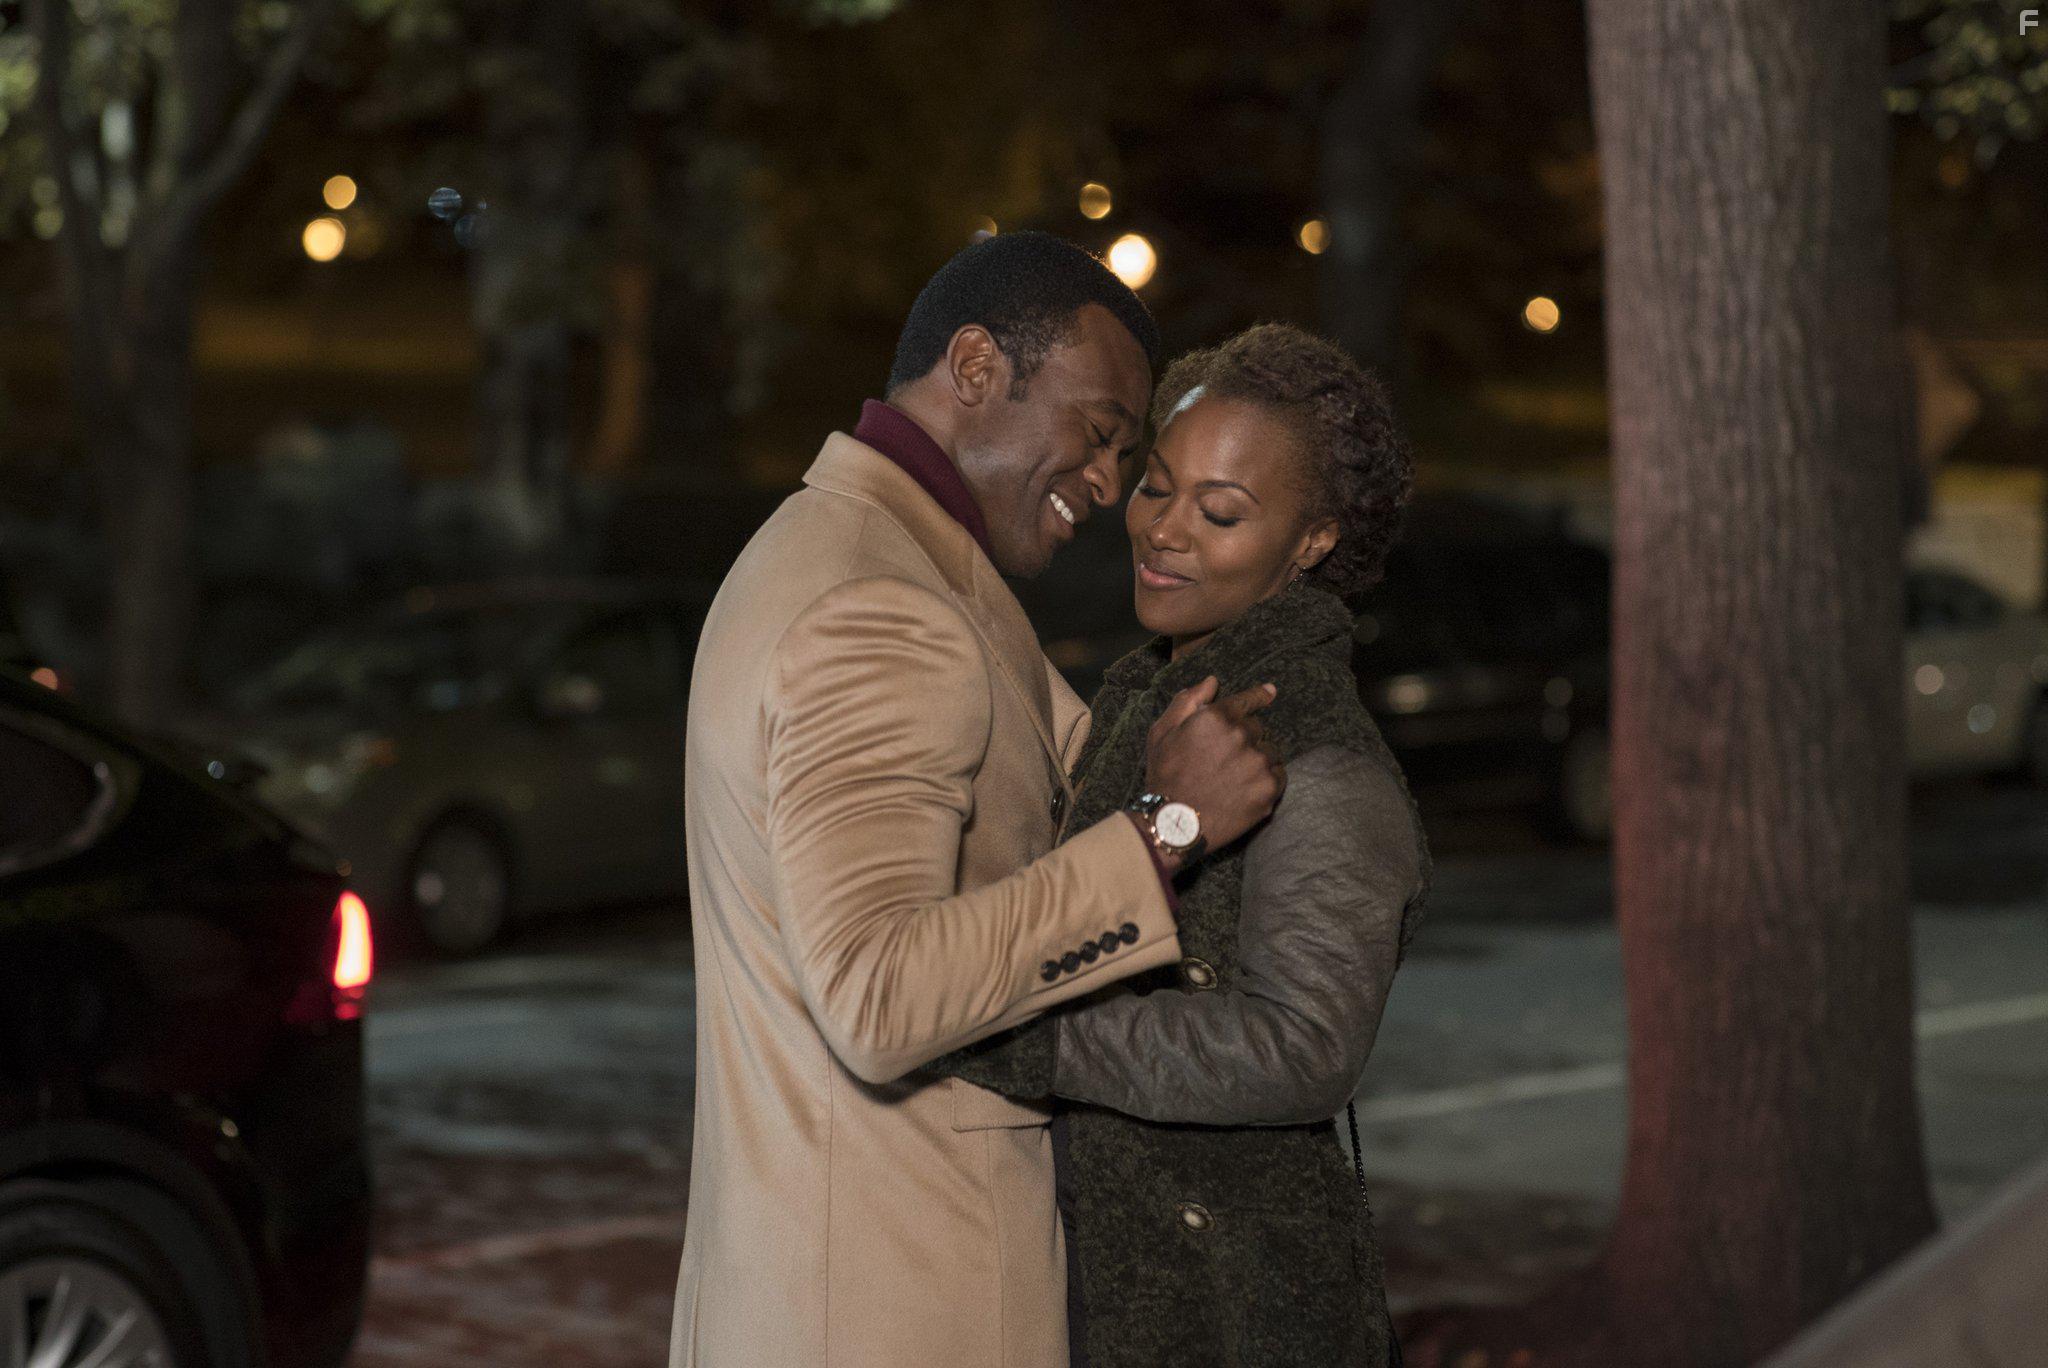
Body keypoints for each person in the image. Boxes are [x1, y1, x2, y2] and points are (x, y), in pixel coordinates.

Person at [671, 232, 1287, 1368]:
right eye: (1097, 432)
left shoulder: (846, 552)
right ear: (973, 367)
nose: (1109, 485)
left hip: (815, 1291)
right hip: (900, 1306)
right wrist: (1167, 831)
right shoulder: (878, 608)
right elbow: (877, 997)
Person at [937, 322, 1430, 1367]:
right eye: (1157, 487)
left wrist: (1018, 1036)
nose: (1163, 529)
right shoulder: (1145, 696)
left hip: (1237, 1310)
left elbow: (1299, 1052)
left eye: (1220, 512)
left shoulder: (1319, 762)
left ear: (1312, 543)